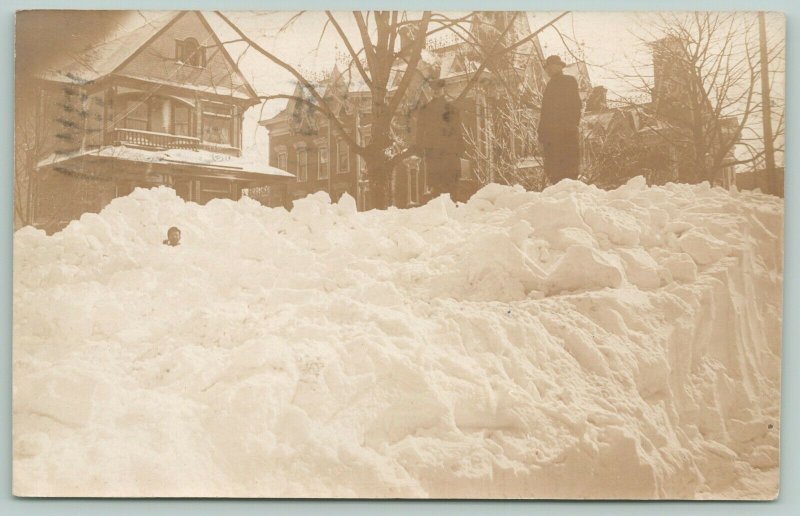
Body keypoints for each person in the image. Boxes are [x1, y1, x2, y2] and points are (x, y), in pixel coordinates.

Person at [414, 78, 465, 199]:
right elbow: (420, 131)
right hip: (434, 153)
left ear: (443, 89)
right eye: (434, 89)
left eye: (439, 89)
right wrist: (419, 148)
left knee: (452, 185)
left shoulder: (452, 109)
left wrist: (460, 147)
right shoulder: (425, 110)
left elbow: (457, 129)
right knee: (436, 187)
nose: (436, 91)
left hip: (450, 152)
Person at [537, 55, 583, 184]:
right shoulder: (550, 85)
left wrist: (571, 125)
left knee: (568, 167)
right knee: (554, 168)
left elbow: (576, 105)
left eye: (551, 67)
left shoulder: (569, 81)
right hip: (551, 134)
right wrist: (541, 132)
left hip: (565, 132)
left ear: (559, 67)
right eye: (547, 68)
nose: (548, 70)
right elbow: (545, 112)